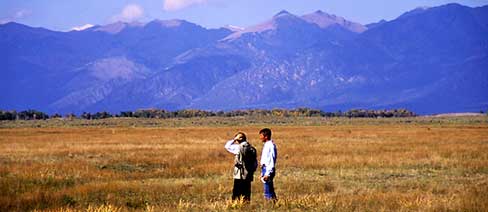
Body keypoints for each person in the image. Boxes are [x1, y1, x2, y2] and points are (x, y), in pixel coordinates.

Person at [224, 132, 257, 202]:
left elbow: (227, 146)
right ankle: (246, 205)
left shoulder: (238, 148)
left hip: (239, 174)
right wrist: (251, 171)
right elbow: (255, 163)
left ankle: (236, 205)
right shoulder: (252, 148)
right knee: (246, 191)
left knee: (237, 192)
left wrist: (234, 139)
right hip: (248, 174)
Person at [259, 128, 277, 201]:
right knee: (269, 190)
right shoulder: (267, 145)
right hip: (265, 169)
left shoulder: (270, 146)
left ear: (266, 136)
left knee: (268, 191)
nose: (260, 138)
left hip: (268, 169)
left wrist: (267, 173)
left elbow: (271, 160)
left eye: (261, 136)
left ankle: (271, 205)